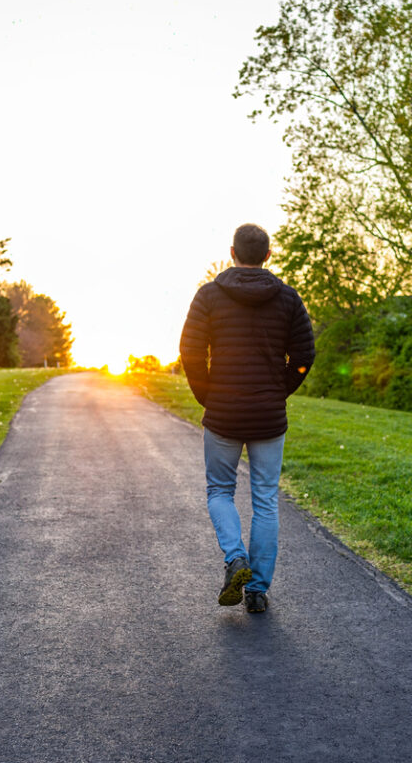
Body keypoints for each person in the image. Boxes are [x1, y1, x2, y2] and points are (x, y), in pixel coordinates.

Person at [179, 223, 315, 613]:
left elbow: (190, 351)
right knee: (265, 500)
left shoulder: (209, 295)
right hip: (268, 416)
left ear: (232, 253)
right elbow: (304, 357)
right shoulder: (288, 298)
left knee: (220, 491)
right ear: (268, 256)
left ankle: (235, 557)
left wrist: (207, 394)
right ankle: (256, 591)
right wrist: (279, 390)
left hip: (223, 412)